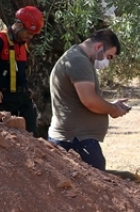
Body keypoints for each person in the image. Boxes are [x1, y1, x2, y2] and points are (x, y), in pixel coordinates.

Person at [47, 28, 128, 171]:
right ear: (99, 47)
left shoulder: (76, 57)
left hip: (76, 139)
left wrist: (111, 105)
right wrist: (113, 109)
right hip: (75, 141)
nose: (107, 62)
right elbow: (89, 100)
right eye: (109, 57)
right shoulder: (78, 61)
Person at [0, 6, 44, 136]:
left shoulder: (23, 43)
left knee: (32, 138)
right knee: (4, 139)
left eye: (32, 35)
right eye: (28, 33)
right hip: (2, 100)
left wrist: (27, 89)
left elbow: (22, 69)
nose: (30, 37)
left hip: (23, 100)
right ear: (19, 25)